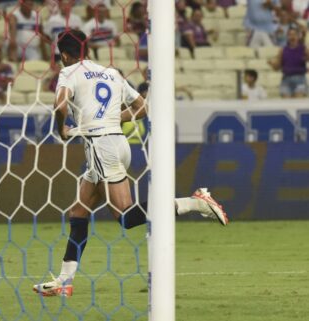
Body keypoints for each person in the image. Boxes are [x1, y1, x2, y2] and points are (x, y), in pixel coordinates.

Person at [32, 30, 228, 297]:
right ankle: (64, 281)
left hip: (103, 149)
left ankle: (196, 202)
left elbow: (60, 105)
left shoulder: (69, 72)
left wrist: (62, 129)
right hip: (115, 143)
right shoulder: (111, 73)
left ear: (64, 54)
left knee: (125, 217)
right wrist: (113, 118)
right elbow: (143, 107)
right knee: (79, 212)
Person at [268, 28, 309, 98]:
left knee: (298, 103)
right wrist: (272, 64)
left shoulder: (304, 48)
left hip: (300, 79)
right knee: (286, 104)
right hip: (286, 79)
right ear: (287, 37)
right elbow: (277, 67)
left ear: (298, 36)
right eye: (290, 35)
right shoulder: (282, 50)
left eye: (294, 34)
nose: (292, 37)